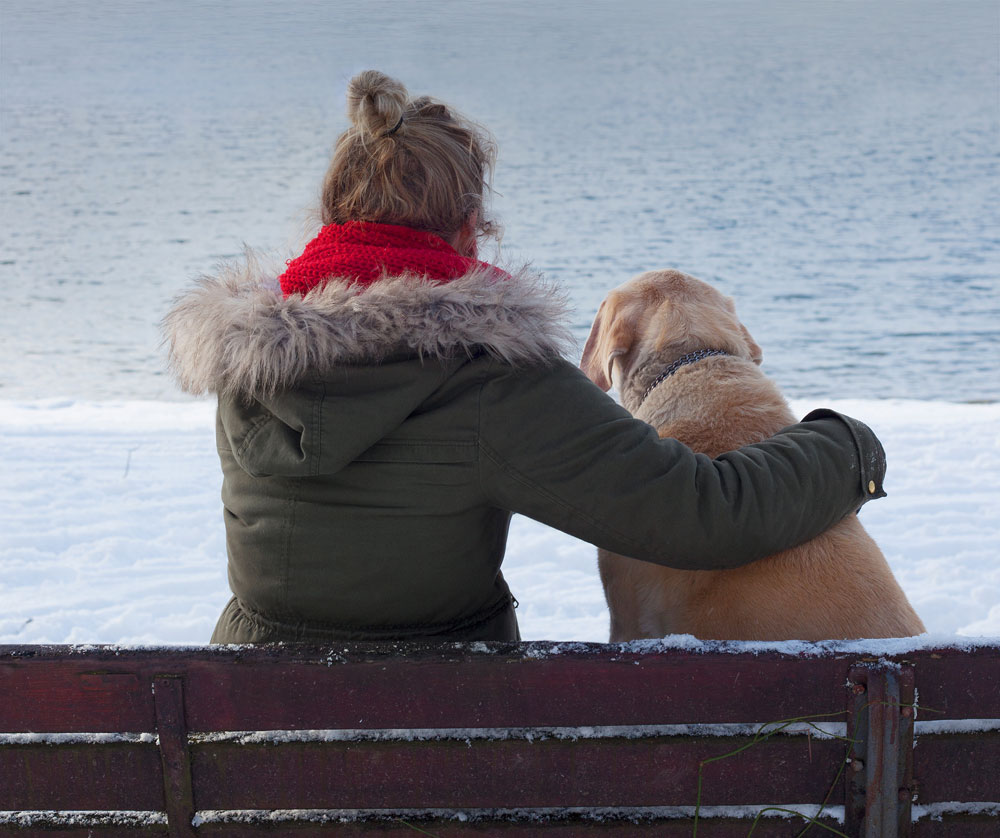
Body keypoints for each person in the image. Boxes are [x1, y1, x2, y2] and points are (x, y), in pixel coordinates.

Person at [163, 70, 887, 644]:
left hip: (248, 726)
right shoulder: (493, 380)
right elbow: (707, 517)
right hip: (445, 743)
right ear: (472, 227)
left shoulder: (248, 365)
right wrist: (847, 446)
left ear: (333, 219)